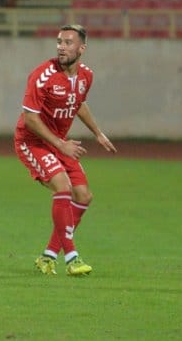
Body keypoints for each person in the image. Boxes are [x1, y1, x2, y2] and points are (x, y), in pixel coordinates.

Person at [15, 24, 116, 276]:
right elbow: (30, 119)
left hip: (59, 141)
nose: (61, 46)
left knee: (83, 196)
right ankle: (72, 258)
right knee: (63, 187)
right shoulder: (42, 75)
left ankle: (48, 256)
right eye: (59, 41)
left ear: (82, 48)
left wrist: (98, 133)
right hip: (33, 142)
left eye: (68, 42)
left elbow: (78, 104)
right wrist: (60, 144)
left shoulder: (85, 76)